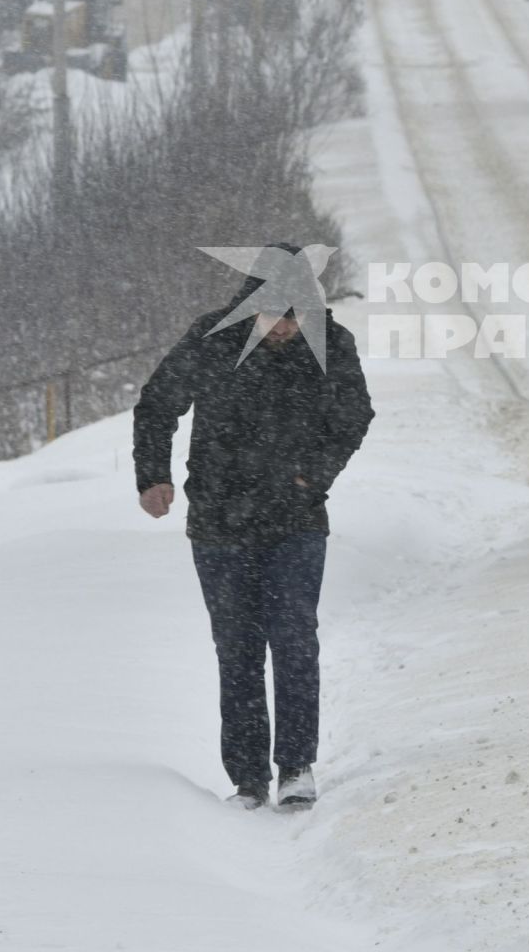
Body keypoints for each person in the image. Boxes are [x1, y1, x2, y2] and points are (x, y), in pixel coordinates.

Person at [134, 245, 374, 813]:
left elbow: (354, 414)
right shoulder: (211, 339)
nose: (284, 329)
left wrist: (308, 477)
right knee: (237, 649)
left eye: (294, 316)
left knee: (293, 638)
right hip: (219, 522)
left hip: (296, 521)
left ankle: (295, 765)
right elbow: (157, 404)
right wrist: (153, 477)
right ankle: (247, 780)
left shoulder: (330, 343)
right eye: (274, 315)